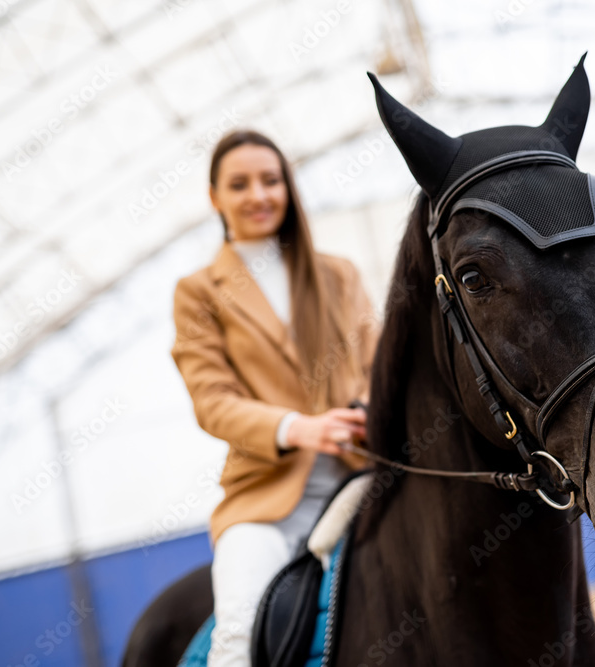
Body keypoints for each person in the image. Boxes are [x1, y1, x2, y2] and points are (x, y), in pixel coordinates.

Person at [170, 129, 378, 666]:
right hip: (266, 499)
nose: (258, 195)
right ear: (215, 197)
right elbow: (212, 400)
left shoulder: (338, 274)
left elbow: (379, 368)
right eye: (239, 184)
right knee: (237, 636)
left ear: (287, 186)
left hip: (366, 477)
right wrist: (297, 427)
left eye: (270, 180)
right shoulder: (198, 293)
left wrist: (368, 411)